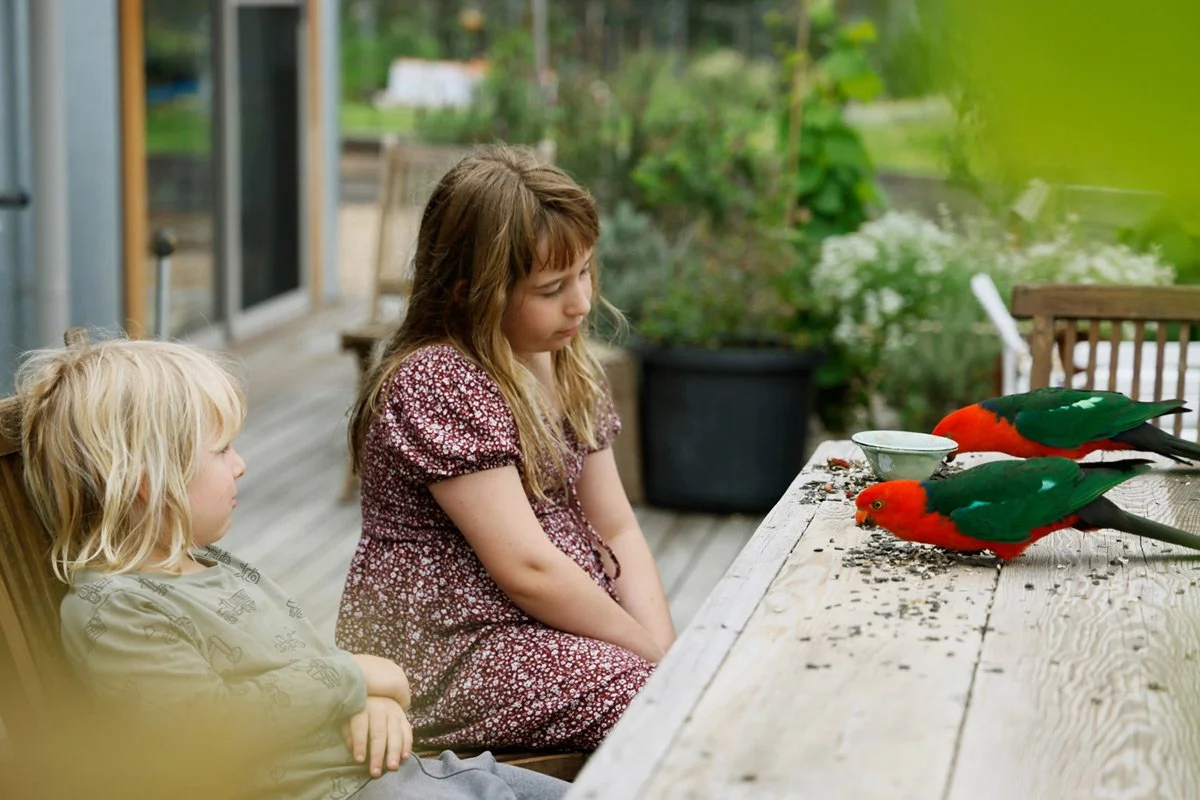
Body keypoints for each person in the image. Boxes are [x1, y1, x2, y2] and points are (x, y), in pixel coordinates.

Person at [14, 337, 568, 800]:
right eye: (222, 449)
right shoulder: (114, 609)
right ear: (148, 482)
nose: (241, 465)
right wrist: (356, 680)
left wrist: (372, 700)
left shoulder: (212, 568)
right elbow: (207, 728)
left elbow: (310, 671)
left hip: (401, 772)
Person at [336, 145, 675, 752]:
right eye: (551, 288)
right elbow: (528, 570)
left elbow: (617, 526)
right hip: (451, 651)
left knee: (675, 691)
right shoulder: (439, 380)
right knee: (654, 705)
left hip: (552, 628)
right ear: (472, 291)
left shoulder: (566, 363)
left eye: (585, 272)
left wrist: (665, 651)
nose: (581, 302)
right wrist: (654, 662)